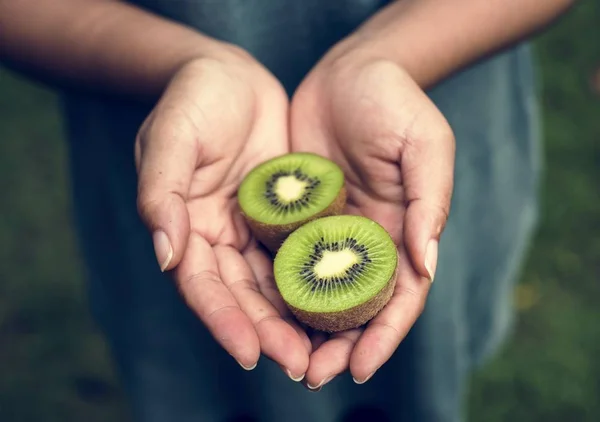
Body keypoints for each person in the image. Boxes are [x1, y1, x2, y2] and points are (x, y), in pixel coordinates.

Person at [1, 1, 575, 421]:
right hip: (182, 149)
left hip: (415, 127)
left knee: (414, 379)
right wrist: (184, 62)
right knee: (212, 384)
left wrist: (389, 55)